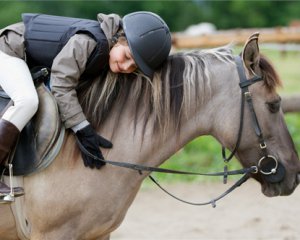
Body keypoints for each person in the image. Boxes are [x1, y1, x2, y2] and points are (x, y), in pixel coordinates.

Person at [0, 11, 172, 199]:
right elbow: (61, 84)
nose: (126, 67)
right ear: (119, 39)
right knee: (27, 100)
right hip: (7, 49)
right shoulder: (88, 42)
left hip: (25, 58)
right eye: (128, 56)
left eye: (134, 67)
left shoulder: (106, 50)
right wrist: (82, 128)